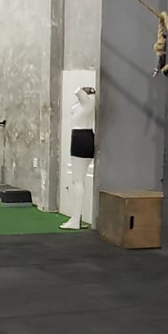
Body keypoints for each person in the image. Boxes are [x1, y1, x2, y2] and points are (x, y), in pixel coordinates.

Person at [61, 86, 96, 231]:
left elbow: (77, 91)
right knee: (78, 180)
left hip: (81, 138)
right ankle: (76, 218)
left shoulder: (87, 103)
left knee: (78, 181)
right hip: (82, 137)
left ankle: (76, 219)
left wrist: (84, 89)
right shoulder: (85, 105)